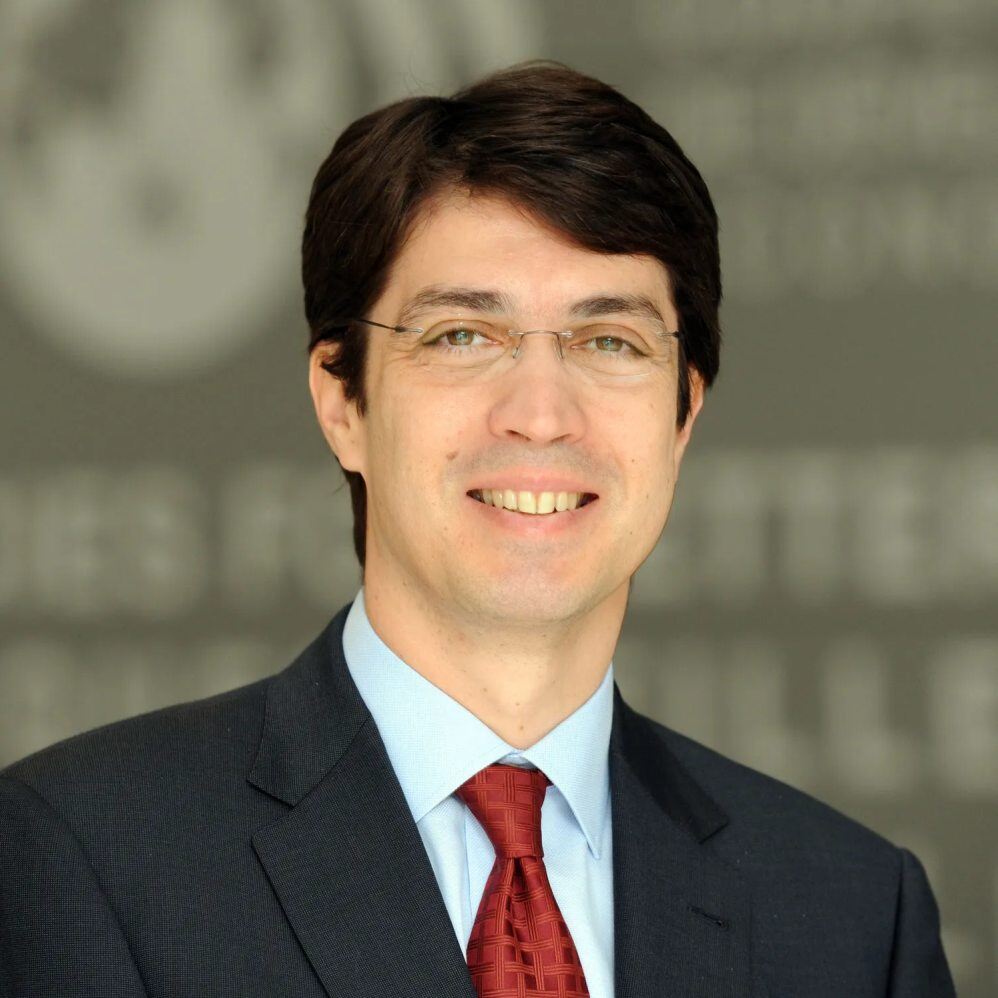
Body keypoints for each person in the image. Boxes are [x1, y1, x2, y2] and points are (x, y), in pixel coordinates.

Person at [0, 61, 954, 998]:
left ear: (683, 415)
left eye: (609, 341)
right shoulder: (84, 857)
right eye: (463, 335)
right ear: (342, 401)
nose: (540, 415)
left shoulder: (852, 914)